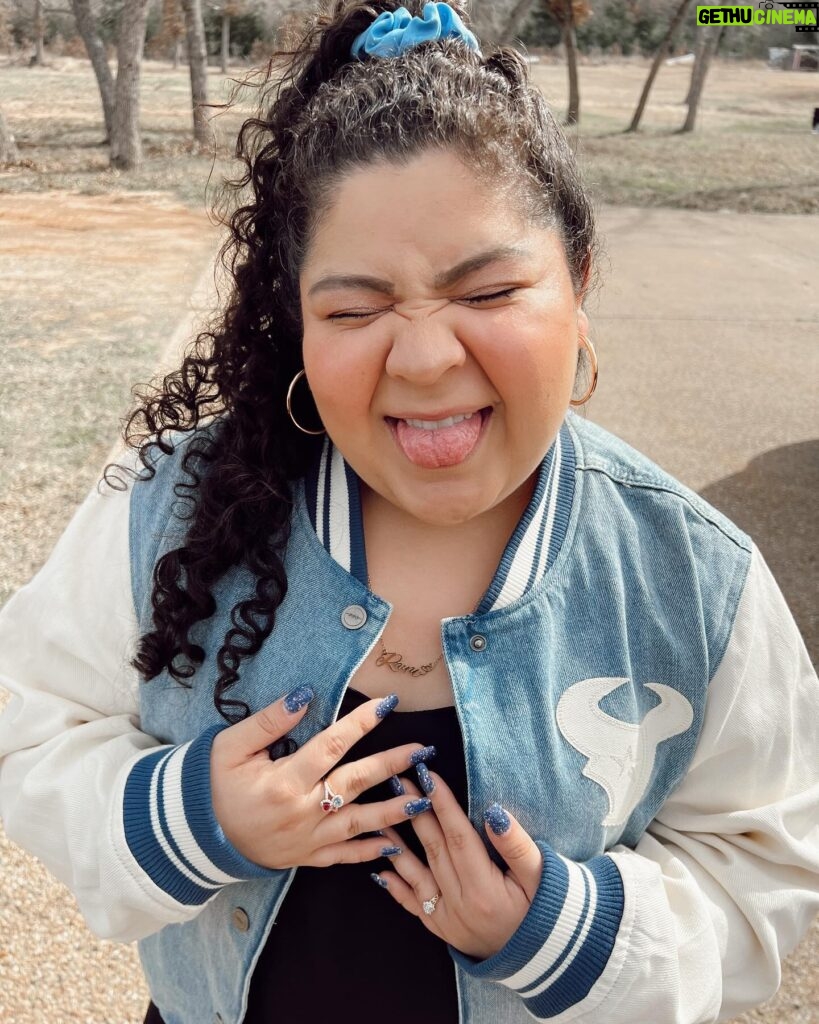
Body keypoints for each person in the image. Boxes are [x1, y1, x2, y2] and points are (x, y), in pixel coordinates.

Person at [0, 2, 816, 1023]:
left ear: (580, 282)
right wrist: (193, 814)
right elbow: (26, 719)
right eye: (354, 308)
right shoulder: (165, 507)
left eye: (486, 293)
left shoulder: (697, 579)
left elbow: (766, 863)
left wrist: (574, 926)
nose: (425, 358)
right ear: (296, 318)